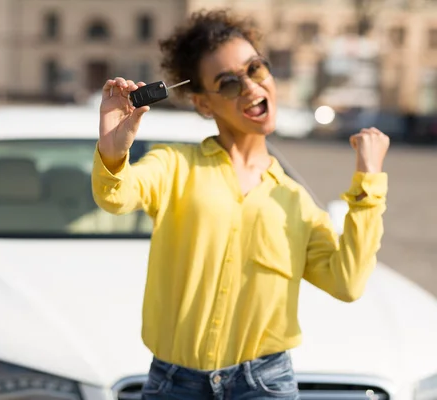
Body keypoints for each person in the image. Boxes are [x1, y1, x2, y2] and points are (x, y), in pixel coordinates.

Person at [92, 8, 389, 400]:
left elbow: (348, 282)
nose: (250, 87)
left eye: (256, 69)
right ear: (203, 104)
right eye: (228, 83)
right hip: (174, 384)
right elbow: (117, 196)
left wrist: (368, 181)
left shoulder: (296, 202)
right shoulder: (174, 166)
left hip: (265, 384)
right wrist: (113, 153)